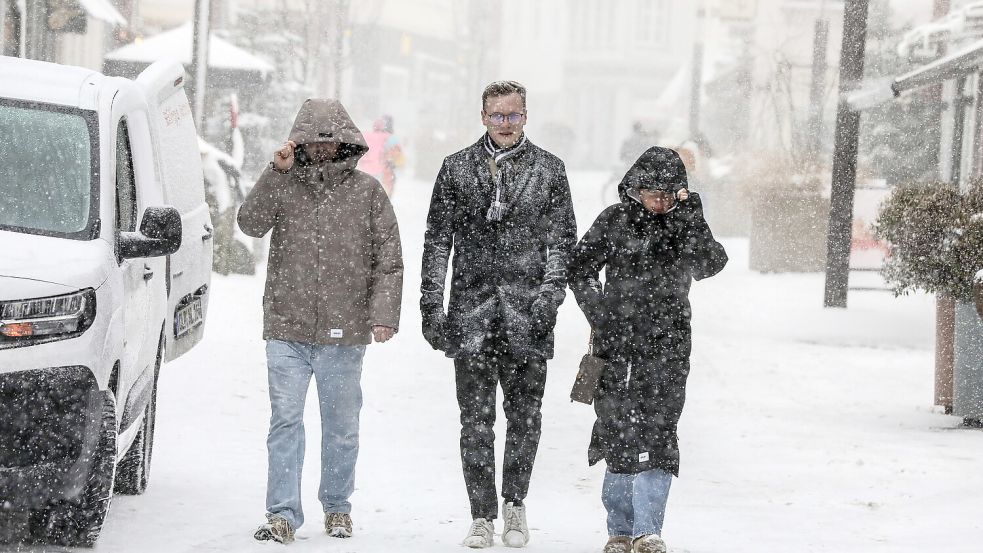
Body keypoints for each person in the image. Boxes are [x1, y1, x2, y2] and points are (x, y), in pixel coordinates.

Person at [237, 98, 403, 544]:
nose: (324, 151)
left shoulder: (367, 192)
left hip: (344, 332)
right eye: (314, 142)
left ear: (347, 143)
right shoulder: (284, 184)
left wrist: (383, 314)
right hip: (286, 328)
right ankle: (283, 513)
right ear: (301, 142)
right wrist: (276, 172)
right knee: (285, 422)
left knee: (341, 426)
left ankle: (337, 506)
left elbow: (389, 259)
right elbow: (250, 224)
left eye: (332, 143)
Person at [420, 80, 577, 548]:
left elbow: (561, 243)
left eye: (514, 115)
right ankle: (482, 513)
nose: (506, 124)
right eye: (497, 116)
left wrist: (548, 300)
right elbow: (436, 243)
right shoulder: (456, 169)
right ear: (483, 117)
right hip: (471, 314)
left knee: (526, 418)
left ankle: (515, 504)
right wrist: (432, 306)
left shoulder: (549, 169)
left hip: (527, 317)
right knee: (475, 421)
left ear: (526, 116)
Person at [567, 147, 728, 553]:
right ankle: (619, 530)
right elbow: (580, 267)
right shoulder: (614, 220)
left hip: (669, 346)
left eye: (668, 193)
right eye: (650, 193)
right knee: (617, 434)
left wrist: (691, 219)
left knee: (659, 434)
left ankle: (648, 530)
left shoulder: (684, 223)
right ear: (634, 189)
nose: (658, 201)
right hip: (616, 346)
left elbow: (711, 263)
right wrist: (598, 309)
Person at [357, 114, 404, 196]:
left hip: (364, 170)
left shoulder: (365, 135)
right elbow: (399, 157)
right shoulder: (389, 138)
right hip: (380, 170)